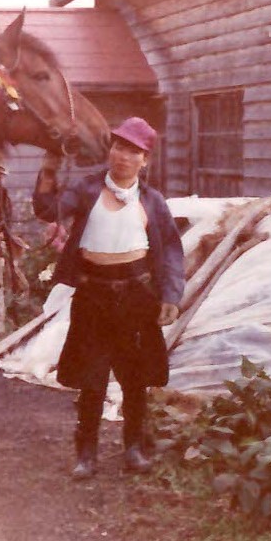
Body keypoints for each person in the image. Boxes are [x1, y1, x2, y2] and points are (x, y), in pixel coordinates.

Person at [33, 116, 184, 479]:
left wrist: (170, 295)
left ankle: (134, 447)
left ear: (144, 159)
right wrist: (49, 169)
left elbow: (171, 253)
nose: (123, 156)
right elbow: (47, 210)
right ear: (110, 151)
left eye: (133, 151)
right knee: (93, 377)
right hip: (93, 295)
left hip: (136, 296)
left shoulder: (152, 201)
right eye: (118, 146)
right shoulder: (86, 190)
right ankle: (86, 452)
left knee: (135, 377)